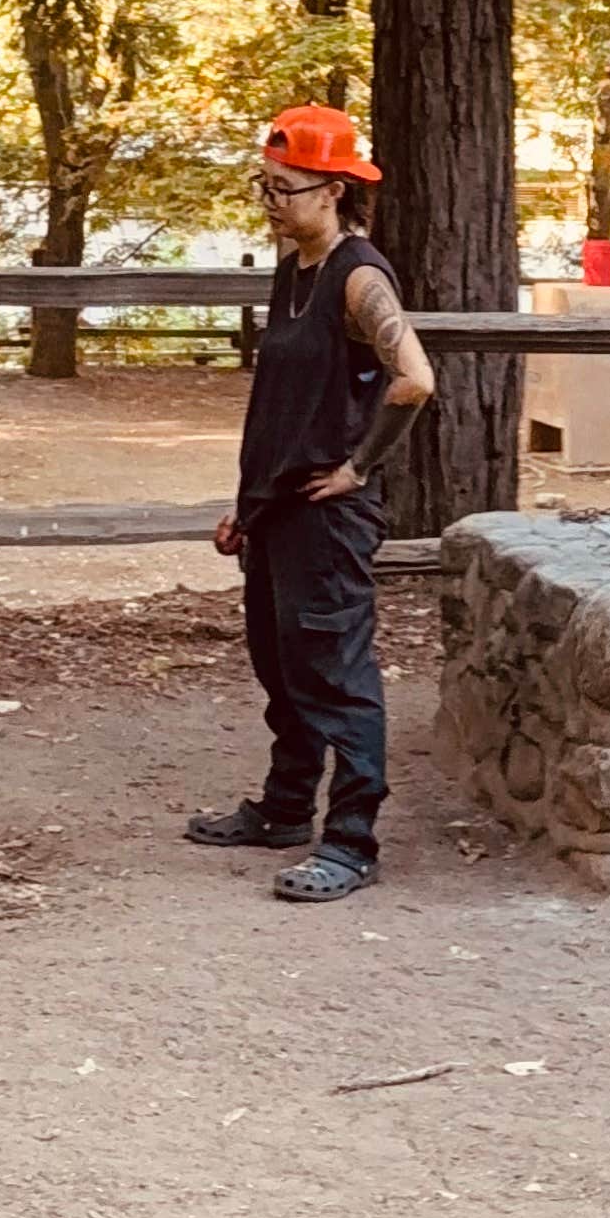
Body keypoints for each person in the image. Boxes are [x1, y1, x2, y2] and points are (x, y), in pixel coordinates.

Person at [193, 103, 433, 901]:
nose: (270, 202)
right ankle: (285, 807)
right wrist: (247, 502)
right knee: (279, 661)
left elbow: (415, 380)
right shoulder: (292, 265)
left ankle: (352, 840)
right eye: (263, 186)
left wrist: (361, 467)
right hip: (276, 508)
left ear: (333, 190)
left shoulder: (358, 277)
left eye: (285, 189)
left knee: (336, 674)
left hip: (328, 513)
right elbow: (279, 399)